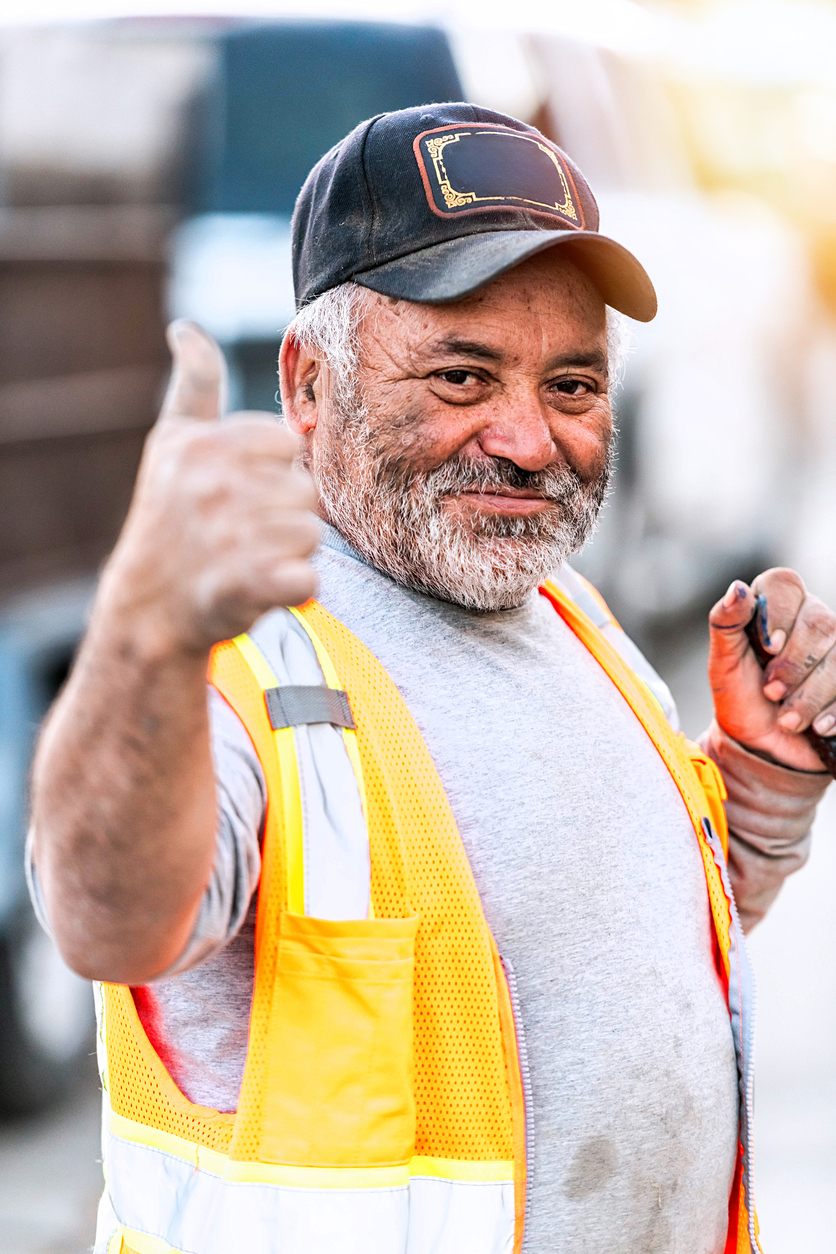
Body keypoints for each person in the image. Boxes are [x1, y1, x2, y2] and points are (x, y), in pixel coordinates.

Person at [29, 104, 836, 1254]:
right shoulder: (238, 663)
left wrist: (757, 788)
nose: (526, 440)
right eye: (462, 376)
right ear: (308, 385)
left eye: (571, 385)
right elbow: (105, 920)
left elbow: (602, 948)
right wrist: (144, 635)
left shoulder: (564, 613)